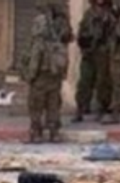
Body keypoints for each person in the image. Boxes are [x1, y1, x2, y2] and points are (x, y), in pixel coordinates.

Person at [26, 0, 73, 142]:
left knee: (36, 104)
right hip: (55, 76)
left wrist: (30, 76)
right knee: (53, 104)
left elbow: (34, 61)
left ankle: (36, 133)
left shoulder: (39, 43)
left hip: (41, 76)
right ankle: (54, 133)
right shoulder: (58, 42)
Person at [74, 0, 114, 123]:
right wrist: (85, 43)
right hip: (88, 52)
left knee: (102, 81)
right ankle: (81, 108)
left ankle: (102, 109)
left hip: (102, 52)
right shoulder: (88, 14)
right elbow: (82, 32)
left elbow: (113, 35)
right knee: (84, 81)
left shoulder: (109, 14)